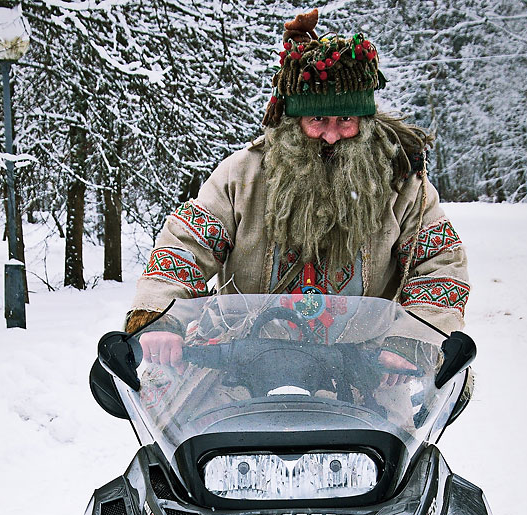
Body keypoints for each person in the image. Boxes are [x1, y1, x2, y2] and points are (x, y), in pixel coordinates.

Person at [126, 7, 471, 402]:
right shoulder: (243, 174)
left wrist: (411, 340)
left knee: (403, 455)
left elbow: (441, 261)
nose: (331, 136)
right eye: (317, 119)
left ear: (366, 119)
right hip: (239, 363)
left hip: (365, 369)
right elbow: (186, 245)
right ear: (292, 120)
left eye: (346, 120)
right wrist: (159, 317)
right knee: (173, 437)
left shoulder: (402, 183)